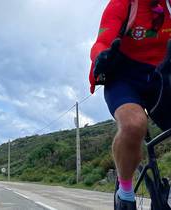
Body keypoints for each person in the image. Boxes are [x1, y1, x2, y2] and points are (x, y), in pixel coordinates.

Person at [89, 0, 171, 210]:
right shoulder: (123, 4)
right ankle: (124, 192)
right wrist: (101, 56)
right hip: (123, 79)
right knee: (134, 124)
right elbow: (101, 43)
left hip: (159, 77)